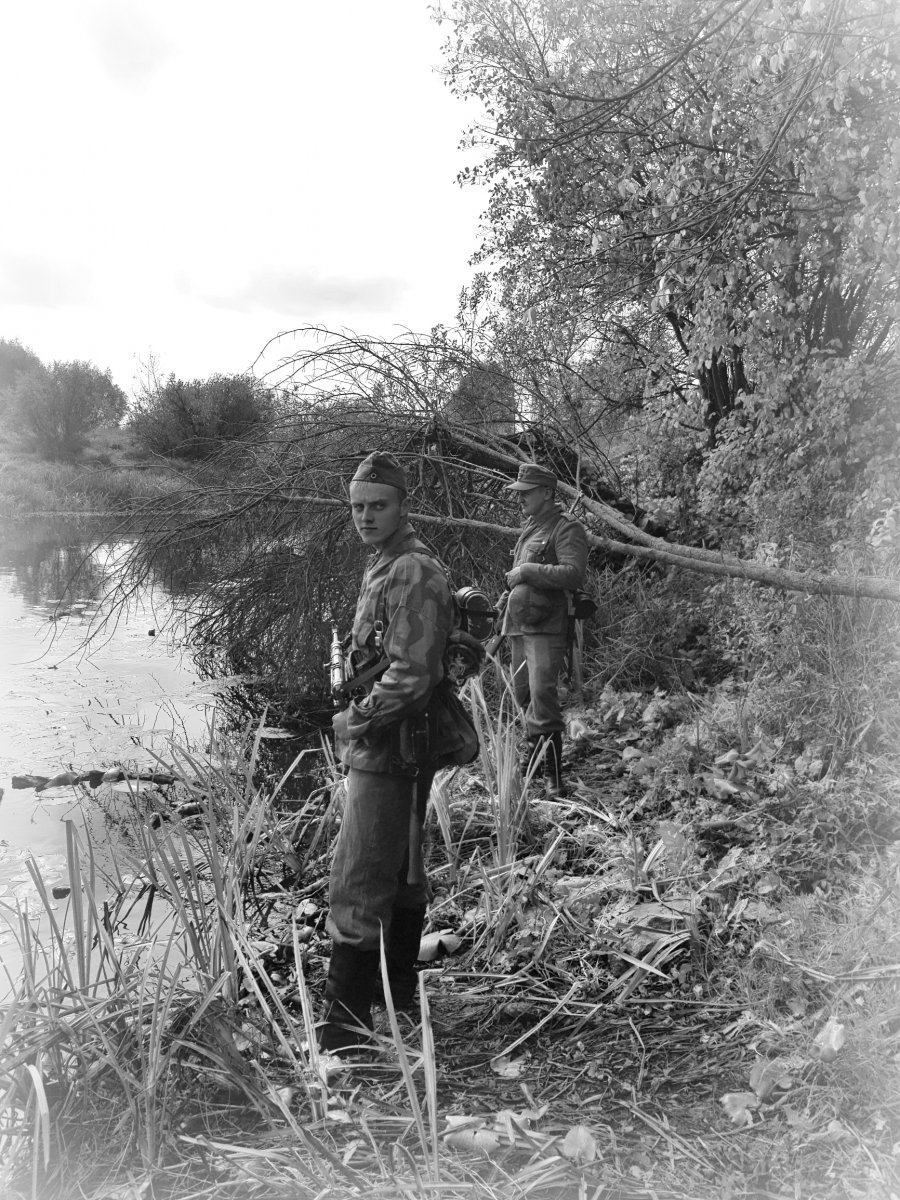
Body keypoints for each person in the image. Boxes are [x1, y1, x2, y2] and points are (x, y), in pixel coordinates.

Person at [320, 450, 466, 1057]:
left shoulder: (410, 570)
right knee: (403, 870)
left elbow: (411, 675)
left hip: (389, 745)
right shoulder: (387, 561)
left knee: (357, 881)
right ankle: (398, 997)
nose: (365, 516)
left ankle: (342, 1039)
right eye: (357, 507)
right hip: (398, 742)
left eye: (377, 505)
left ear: (403, 506)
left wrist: (351, 723)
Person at [496, 462, 589, 798]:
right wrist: (503, 602)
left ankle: (553, 774)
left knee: (542, 695)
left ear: (547, 493)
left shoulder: (566, 528)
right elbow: (515, 577)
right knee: (523, 693)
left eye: (526, 493)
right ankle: (535, 754)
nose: (519, 499)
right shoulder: (530, 528)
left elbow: (573, 573)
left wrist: (528, 570)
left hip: (547, 626)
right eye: (518, 493)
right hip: (519, 624)